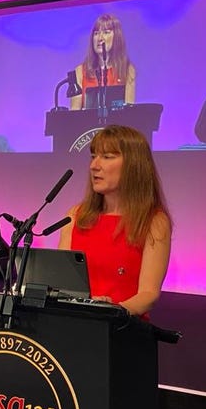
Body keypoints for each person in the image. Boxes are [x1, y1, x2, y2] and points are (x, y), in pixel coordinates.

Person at [58, 125, 171, 317]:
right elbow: (61, 280)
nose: (94, 165)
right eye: (93, 156)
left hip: (122, 331)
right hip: (75, 324)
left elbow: (148, 294)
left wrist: (110, 312)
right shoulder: (76, 215)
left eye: (107, 157)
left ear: (133, 166)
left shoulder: (154, 221)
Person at [70, 13, 136, 111]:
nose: (100, 38)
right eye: (96, 33)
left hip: (116, 126)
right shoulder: (80, 71)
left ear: (116, 37)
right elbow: (74, 115)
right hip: (88, 126)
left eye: (106, 32)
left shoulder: (127, 70)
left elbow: (129, 113)